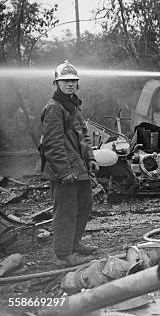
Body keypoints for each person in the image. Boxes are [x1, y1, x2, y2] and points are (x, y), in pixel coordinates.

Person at [40, 61, 100, 266]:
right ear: (56, 83)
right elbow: (52, 144)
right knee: (65, 210)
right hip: (63, 170)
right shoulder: (55, 108)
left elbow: (84, 135)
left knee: (85, 204)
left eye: (73, 81)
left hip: (79, 167)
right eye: (65, 81)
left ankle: (74, 244)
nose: (70, 84)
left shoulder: (73, 105)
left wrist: (91, 158)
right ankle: (64, 255)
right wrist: (64, 171)